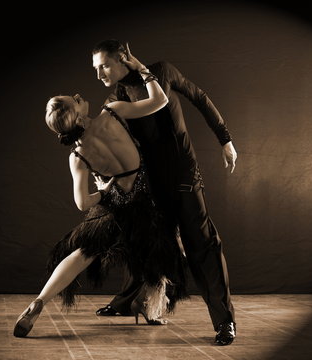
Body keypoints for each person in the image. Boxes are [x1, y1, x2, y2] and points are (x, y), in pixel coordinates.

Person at [13, 46, 187, 338]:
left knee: (84, 252)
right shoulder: (113, 111)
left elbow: (83, 203)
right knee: (160, 247)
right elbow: (160, 100)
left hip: (116, 202)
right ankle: (152, 309)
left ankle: (39, 301)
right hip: (145, 194)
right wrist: (143, 69)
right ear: (78, 118)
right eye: (76, 101)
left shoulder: (77, 157)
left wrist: (106, 192)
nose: (80, 96)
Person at [92, 39, 237, 345]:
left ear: (123, 58)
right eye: (96, 68)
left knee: (202, 246)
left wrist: (225, 138)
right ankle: (124, 303)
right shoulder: (117, 95)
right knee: (149, 241)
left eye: (104, 65)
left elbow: (200, 97)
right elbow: (115, 144)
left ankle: (225, 323)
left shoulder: (162, 71)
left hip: (183, 174)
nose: (99, 74)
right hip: (151, 181)